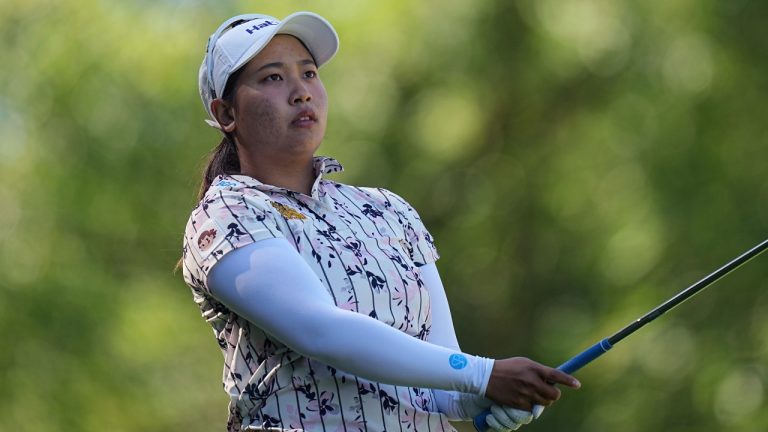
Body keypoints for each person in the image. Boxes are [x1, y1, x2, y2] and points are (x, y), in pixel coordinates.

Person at [180, 11, 581, 432]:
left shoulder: (388, 210)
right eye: (273, 78)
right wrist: (482, 374)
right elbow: (319, 331)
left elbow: (443, 385)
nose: (301, 92)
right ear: (226, 113)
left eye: (309, 73)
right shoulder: (226, 212)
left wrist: (485, 396)